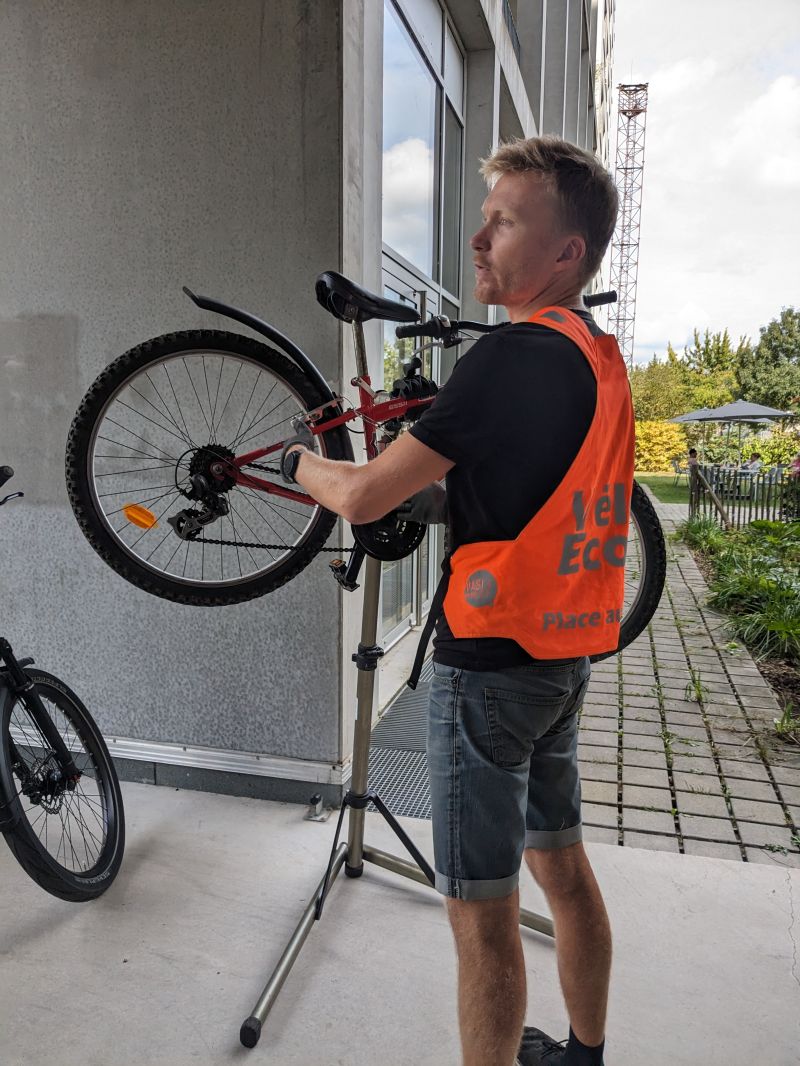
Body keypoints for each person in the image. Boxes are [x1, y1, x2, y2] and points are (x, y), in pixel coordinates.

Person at [280, 135, 629, 1066]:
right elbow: (521, 490)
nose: (478, 241)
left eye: (505, 221)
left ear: (567, 254)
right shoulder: (592, 353)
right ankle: (584, 1055)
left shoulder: (509, 357)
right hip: (562, 661)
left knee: (480, 916)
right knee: (561, 866)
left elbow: (357, 498)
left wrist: (296, 463)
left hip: (486, 672)